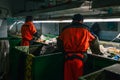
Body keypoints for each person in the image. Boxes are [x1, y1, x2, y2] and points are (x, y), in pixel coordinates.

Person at [57, 14, 103, 80]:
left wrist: (62, 51)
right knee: (79, 77)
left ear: (72, 20)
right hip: (81, 57)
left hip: (68, 57)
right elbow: (94, 40)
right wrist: (96, 53)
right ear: (81, 21)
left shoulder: (65, 29)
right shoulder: (86, 29)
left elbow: (59, 42)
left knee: (68, 76)